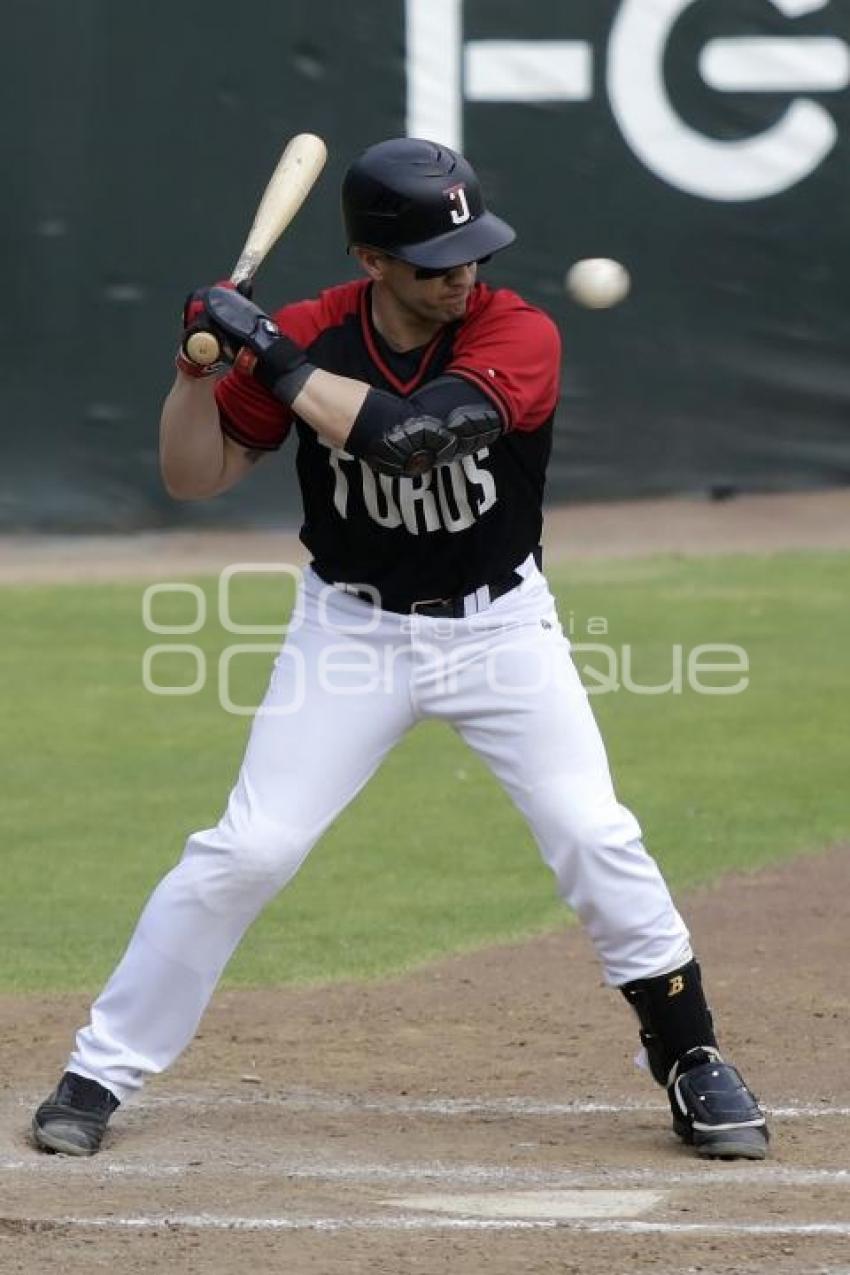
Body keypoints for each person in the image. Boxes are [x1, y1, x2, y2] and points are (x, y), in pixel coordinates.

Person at [33, 137, 768, 1160]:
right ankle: (98, 1070)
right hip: (351, 630)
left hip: (500, 628)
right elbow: (194, 478)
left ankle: (691, 1058)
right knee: (250, 849)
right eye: (434, 260)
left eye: (472, 251)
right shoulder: (306, 332)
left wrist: (268, 356)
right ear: (371, 262)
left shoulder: (516, 332)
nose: (462, 274)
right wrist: (197, 368)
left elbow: (413, 437)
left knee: (592, 834)